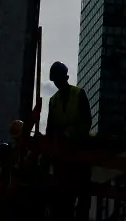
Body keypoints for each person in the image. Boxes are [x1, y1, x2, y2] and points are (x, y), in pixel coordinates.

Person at [46, 61, 93, 219]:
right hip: (62, 156)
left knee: (82, 191)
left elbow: (86, 121)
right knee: (63, 196)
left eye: (58, 79)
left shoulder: (79, 94)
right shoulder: (53, 101)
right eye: (54, 80)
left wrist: (72, 135)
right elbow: (50, 129)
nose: (57, 83)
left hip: (80, 150)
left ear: (64, 77)